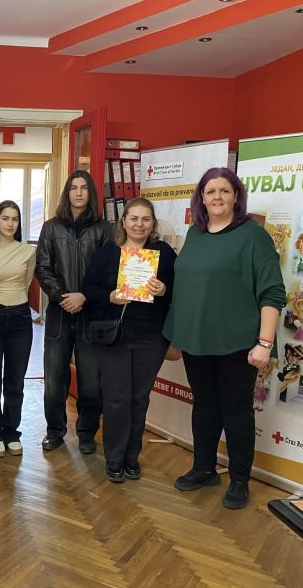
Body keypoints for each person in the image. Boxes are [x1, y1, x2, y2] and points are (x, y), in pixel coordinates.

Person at [163, 167, 285, 510]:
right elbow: (189, 285)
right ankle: (204, 468)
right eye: (210, 191)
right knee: (204, 405)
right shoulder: (196, 233)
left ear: (236, 196)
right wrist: (176, 333)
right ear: (201, 198)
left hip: (238, 343)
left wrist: (264, 343)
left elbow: (273, 293)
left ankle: (240, 480)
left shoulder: (253, 236)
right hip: (197, 340)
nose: (217, 197)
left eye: (224, 191)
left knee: (236, 410)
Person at [81, 197, 175, 482]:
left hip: (151, 338)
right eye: (134, 218)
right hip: (115, 337)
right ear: (123, 221)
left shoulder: (164, 253)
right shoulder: (109, 252)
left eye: (145, 219)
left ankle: (131, 457)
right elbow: (88, 288)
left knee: (139, 399)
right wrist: (109, 296)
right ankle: (114, 457)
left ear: (153, 223)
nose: (139, 224)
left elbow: (180, 291)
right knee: (116, 398)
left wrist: (164, 290)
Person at [35, 170, 114, 453]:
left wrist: (85, 296)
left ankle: (86, 433)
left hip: (92, 314)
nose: (78, 193)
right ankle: (55, 431)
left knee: (91, 382)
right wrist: (61, 296)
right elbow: (42, 268)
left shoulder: (104, 229)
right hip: (59, 312)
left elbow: (109, 272)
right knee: (54, 379)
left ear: (91, 193)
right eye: (73, 188)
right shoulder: (50, 228)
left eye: (84, 188)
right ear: (66, 193)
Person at [0, 200, 36, 457]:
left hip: (20, 318)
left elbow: (27, 281)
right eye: (5, 218)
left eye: (15, 219)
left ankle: (11, 432)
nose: (10, 223)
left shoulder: (28, 252)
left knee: (15, 380)